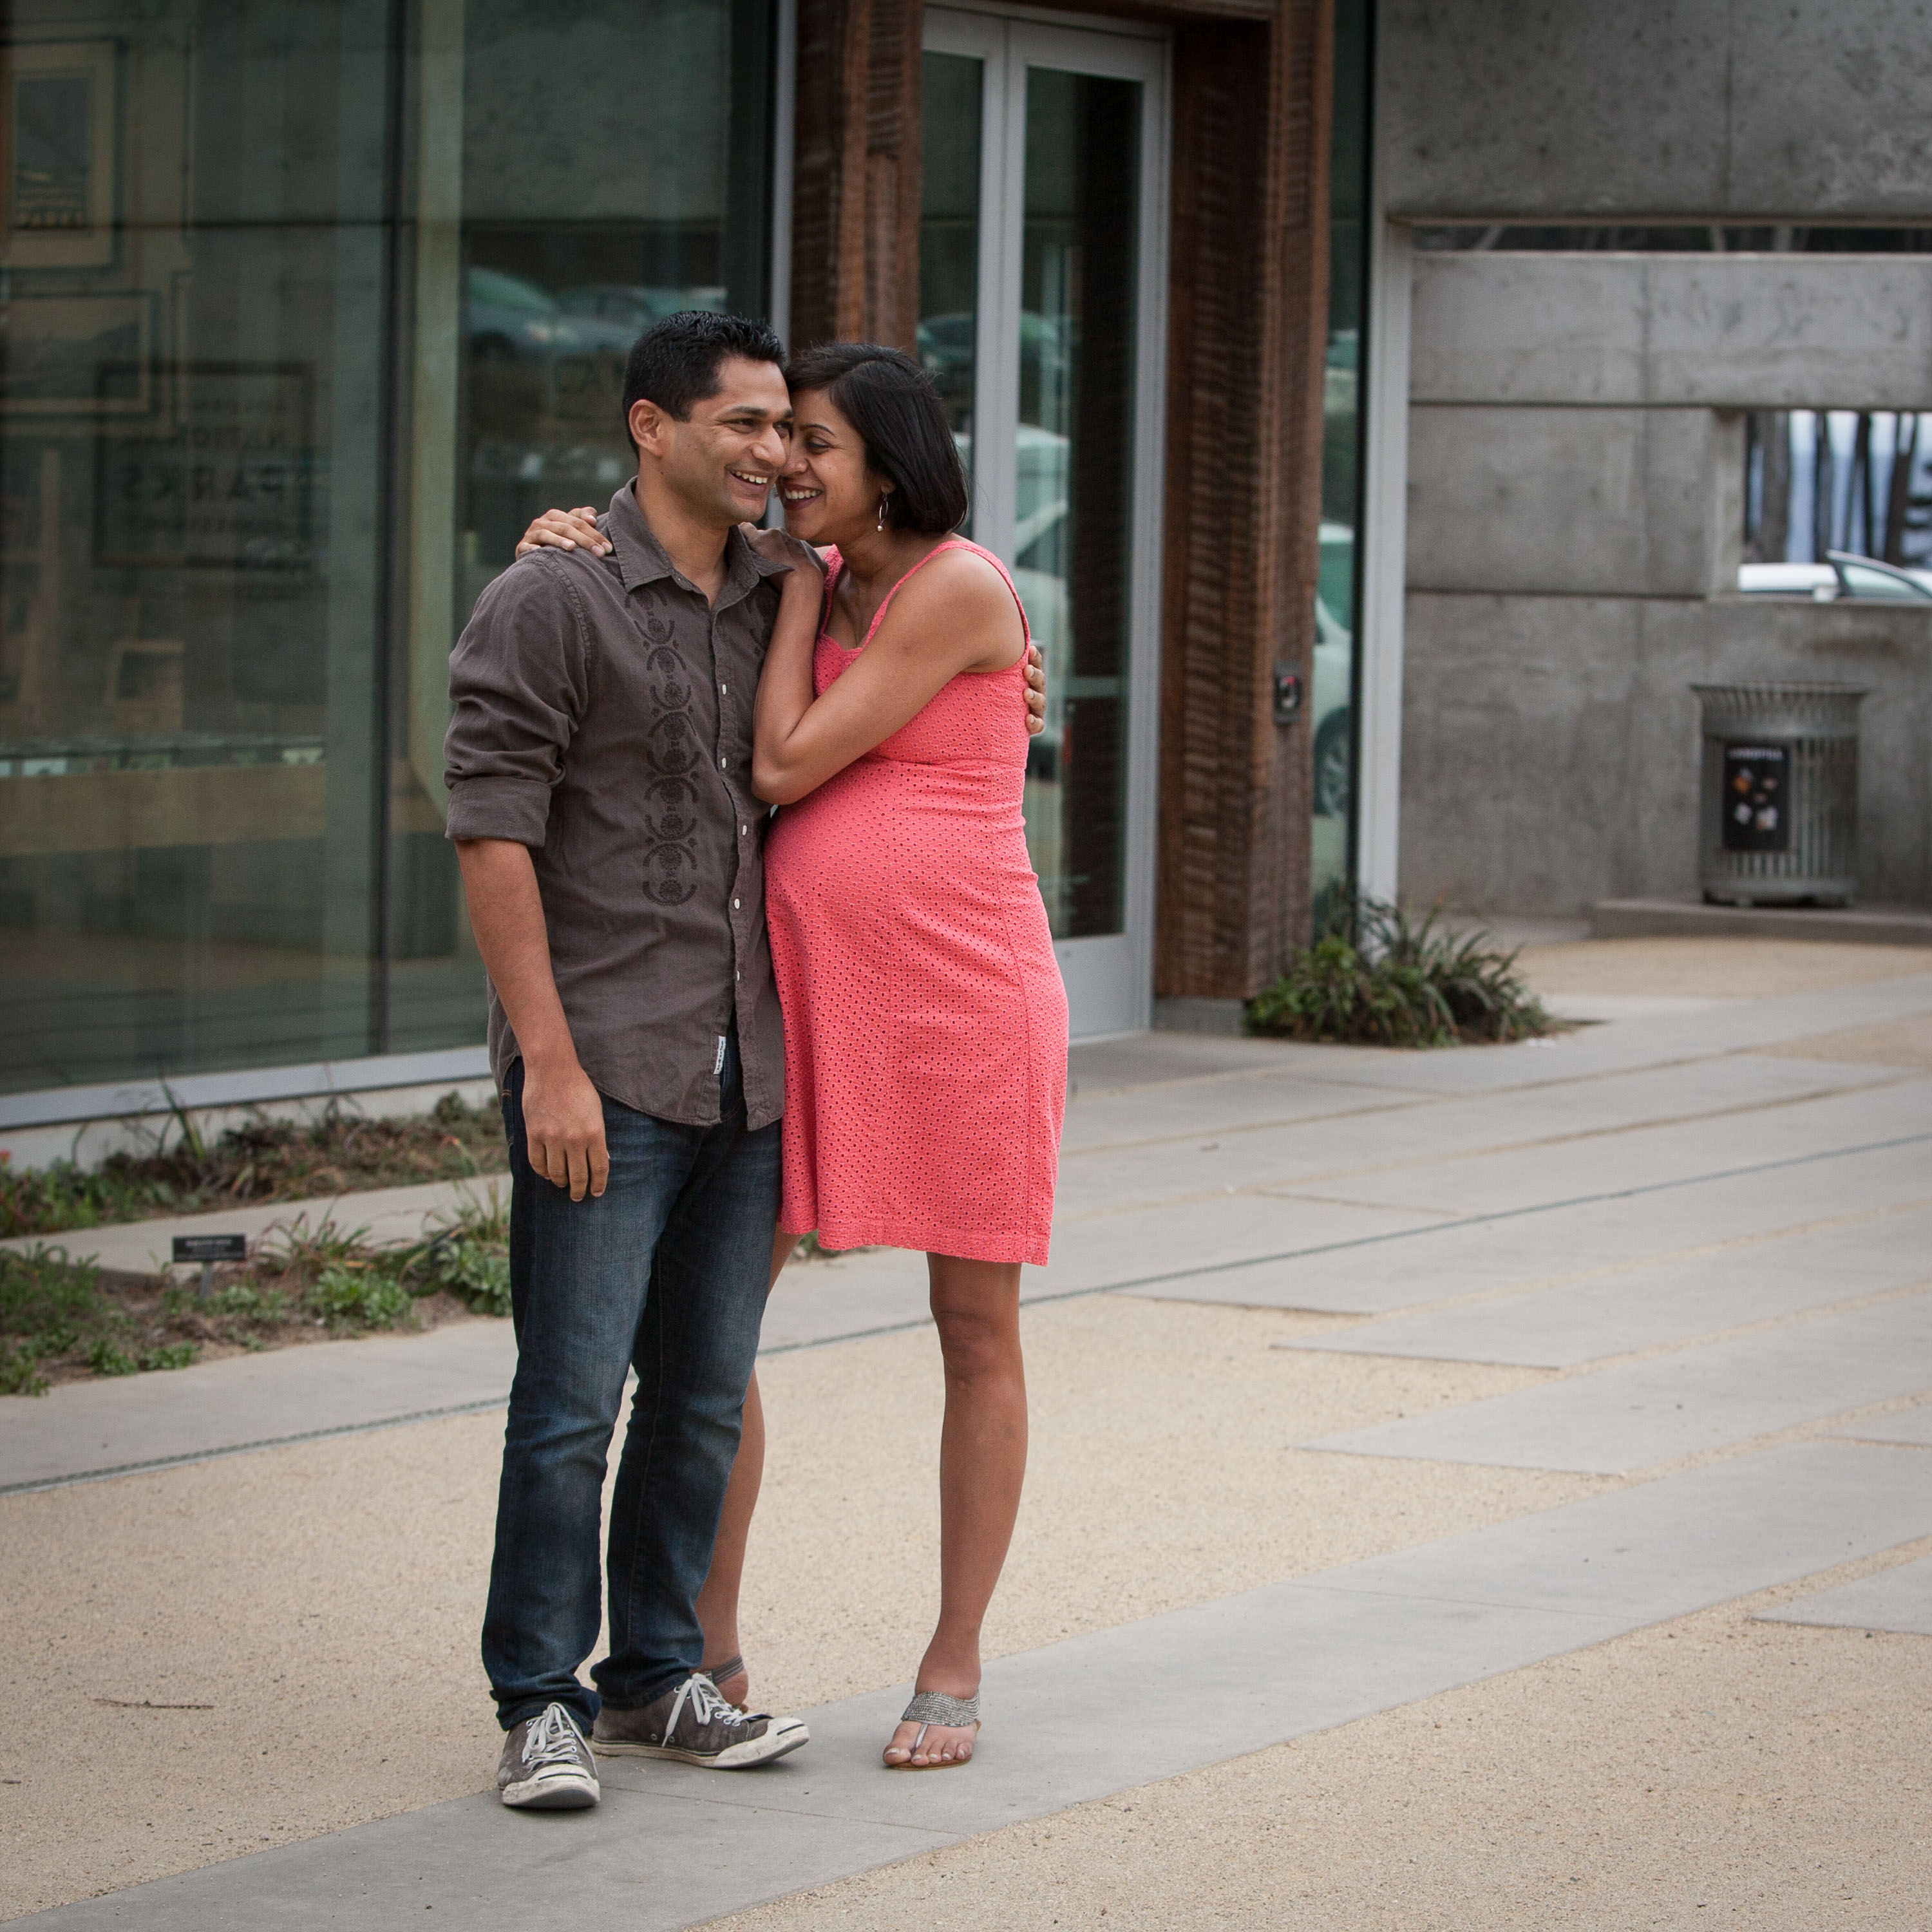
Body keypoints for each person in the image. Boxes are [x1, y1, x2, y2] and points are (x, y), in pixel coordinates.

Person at [516, 342, 1068, 1772]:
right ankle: (698, 1650)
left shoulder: (946, 584)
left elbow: (780, 764)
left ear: (888, 463)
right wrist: (575, 528)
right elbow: (665, 542)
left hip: (962, 1000)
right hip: (805, 1005)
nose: (785, 465)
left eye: (814, 443)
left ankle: (952, 1664)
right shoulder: (803, 576)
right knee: (710, 1335)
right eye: (775, 438)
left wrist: (803, 590)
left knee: (974, 1327)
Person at [446, 311, 815, 1812]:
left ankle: (657, 1678)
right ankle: (538, 1700)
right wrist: (547, 1063)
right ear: (651, 427)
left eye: (785, 427)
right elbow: (490, 829)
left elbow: (941, 642)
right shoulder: (553, 595)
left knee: (703, 1398)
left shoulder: (789, 590)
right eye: (744, 423)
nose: (772, 451)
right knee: (570, 1406)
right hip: (604, 1066)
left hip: (750, 1071)